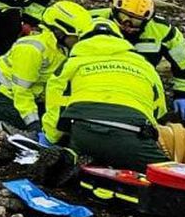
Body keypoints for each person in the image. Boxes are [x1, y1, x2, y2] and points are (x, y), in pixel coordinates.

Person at [44, 20, 169, 169]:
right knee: (170, 174)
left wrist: (52, 137)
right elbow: (159, 107)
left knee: (72, 158)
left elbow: (56, 103)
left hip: (83, 132)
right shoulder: (144, 65)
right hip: (132, 135)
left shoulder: (72, 63)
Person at [0, 0, 93, 134]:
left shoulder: (63, 48)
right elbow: (22, 91)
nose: (80, 42)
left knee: (57, 124)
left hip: (28, 93)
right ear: (59, 32)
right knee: (34, 128)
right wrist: (33, 122)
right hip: (1, 93)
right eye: (76, 38)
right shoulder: (32, 50)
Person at [90, 0, 185, 123]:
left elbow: (184, 63)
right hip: (97, 78)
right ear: (113, 11)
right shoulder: (90, 20)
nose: (128, 26)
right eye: (124, 18)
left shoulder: (163, 31)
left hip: (141, 83)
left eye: (136, 22)